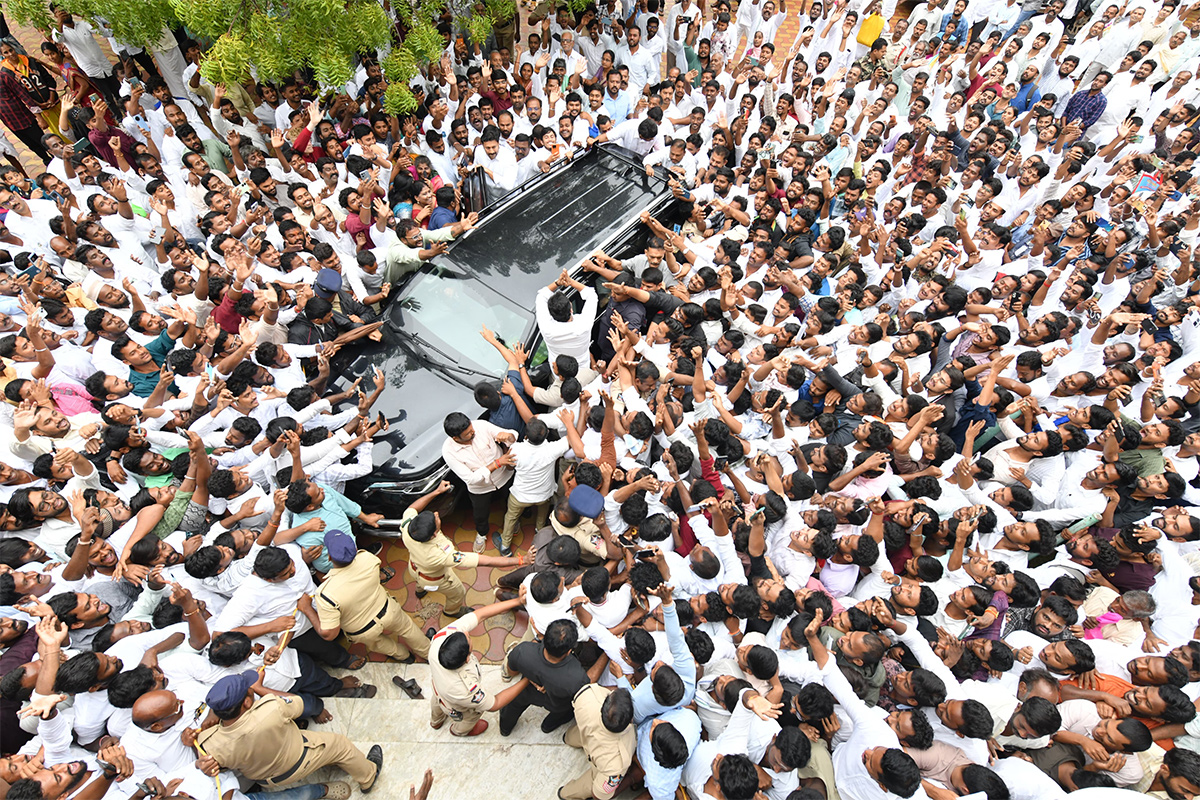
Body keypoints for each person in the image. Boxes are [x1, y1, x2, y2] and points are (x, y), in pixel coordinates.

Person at [191, 670, 384, 793]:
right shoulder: (271, 708)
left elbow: (215, 764)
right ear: (248, 702)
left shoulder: (207, 741)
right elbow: (298, 704)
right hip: (299, 759)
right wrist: (260, 688)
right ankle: (368, 777)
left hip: (267, 780)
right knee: (341, 744)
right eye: (249, 690)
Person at [311, 529, 430, 664]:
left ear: (330, 558)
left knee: (379, 644)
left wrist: (307, 609)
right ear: (355, 549)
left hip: (363, 630)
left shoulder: (325, 594)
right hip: (388, 610)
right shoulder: (367, 558)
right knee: (408, 629)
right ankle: (428, 653)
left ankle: (403, 656)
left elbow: (329, 634)